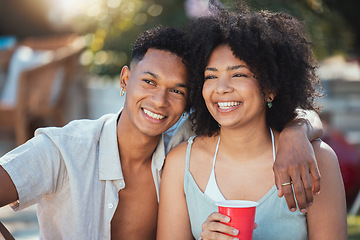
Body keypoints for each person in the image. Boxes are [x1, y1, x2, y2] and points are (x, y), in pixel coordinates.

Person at [0, 25, 320, 239]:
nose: (160, 101)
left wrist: (296, 131)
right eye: (149, 82)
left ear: (189, 101)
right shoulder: (63, 151)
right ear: (125, 80)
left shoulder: (183, 145)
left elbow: (260, 112)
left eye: (177, 91)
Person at [157, 3, 347, 240]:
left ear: (270, 88)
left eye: (239, 74)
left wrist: (297, 131)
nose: (221, 88)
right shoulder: (180, 164)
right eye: (211, 76)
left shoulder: (315, 160)